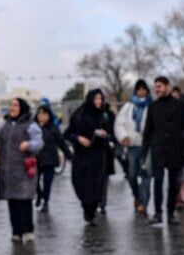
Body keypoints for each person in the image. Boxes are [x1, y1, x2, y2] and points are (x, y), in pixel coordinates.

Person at [142, 77, 184, 225]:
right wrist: (145, 152)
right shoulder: (153, 106)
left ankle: (170, 213)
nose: (157, 89)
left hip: (175, 149)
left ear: (167, 87)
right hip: (158, 149)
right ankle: (158, 212)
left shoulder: (180, 105)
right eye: (155, 87)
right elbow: (148, 131)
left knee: (173, 182)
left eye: (160, 86)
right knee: (157, 181)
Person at [0, 98, 44, 243]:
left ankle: (28, 230)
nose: (12, 108)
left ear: (22, 108)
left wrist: (29, 145)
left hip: (24, 169)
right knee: (12, 201)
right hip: (7, 170)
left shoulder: (31, 125)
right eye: (11, 105)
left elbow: (39, 142)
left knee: (24, 200)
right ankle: (16, 231)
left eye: (15, 105)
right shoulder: (4, 124)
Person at [66, 89, 113, 226]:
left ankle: (91, 212)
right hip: (81, 156)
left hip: (98, 156)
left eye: (101, 99)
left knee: (96, 186)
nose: (98, 102)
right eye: (96, 99)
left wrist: (104, 134)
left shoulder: (104, 115)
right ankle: (86, 206)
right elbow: (68, 134)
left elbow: (111, 135)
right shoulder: (79, 115)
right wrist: (79, 138)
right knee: (80, 184)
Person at [114, 78, 152, 214]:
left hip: (147, 146)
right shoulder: (128, 107)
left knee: (147, 175)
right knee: (131, 174)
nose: (141, 91)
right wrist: (123, 136)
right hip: (132, 146)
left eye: (144, 89)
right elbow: (119, 123)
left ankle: (143, 201)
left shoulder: (151, 105)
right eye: (139, 89)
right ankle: (137, 196)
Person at [35, 104, 71, 213]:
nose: (42, 116)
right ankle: (39, 194)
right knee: (34, 181)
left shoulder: (53, 128)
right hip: (36, 159)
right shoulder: (33, 127)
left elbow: (61, 142)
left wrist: (69, 155)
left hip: (49, 159)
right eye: (40, 114)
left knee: (47, 182)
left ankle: (45, 201)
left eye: (44, 114)